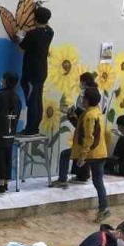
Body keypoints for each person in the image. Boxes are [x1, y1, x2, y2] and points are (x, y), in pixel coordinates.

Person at [51, 86, 110, 219]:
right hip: (100, 152)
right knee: (98, 182)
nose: (82, 100)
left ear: (87, 100)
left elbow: (89, 137)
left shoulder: (89, 115)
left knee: (66, 155)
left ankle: (62, 179)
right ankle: (104, 208)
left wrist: (83, 156)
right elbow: (81, 127)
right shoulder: (96, 112)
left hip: (92, 153)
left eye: (83, 98)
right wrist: (71, 115)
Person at [15, 6, 54, 135]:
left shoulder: (33, 34)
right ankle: (35, 127)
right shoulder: (49, 32)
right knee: (37, 99)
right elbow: (44, 27)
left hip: (31, 72)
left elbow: (21, 48)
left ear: (35, 19)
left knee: (32, 101)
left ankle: (30, 129)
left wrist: (19, 38)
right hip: (42, 70)